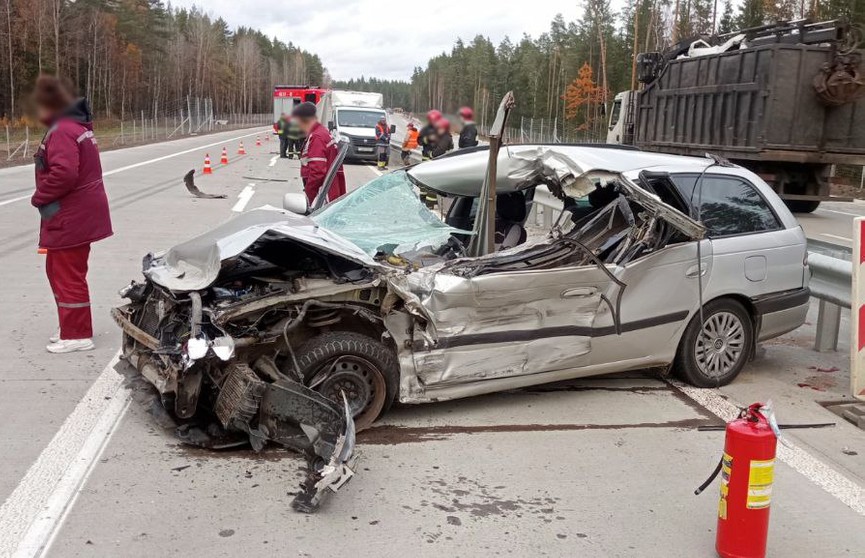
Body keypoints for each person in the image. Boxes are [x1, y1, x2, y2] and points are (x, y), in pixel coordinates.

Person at [31, 75, 112, 353]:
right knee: (57, 270)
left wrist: (39, 197)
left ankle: (77, 335)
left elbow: (64, 173)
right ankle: (70, 326)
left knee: (68, 274)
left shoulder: (64, 130)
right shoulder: (72, 126)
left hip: (72, 215)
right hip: (74, 214)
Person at [293, 101, 346, 204]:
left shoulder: (317, 137)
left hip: (323, 196)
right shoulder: (322, 132)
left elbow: (317, 172)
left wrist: (309, 195)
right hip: (329, 190)